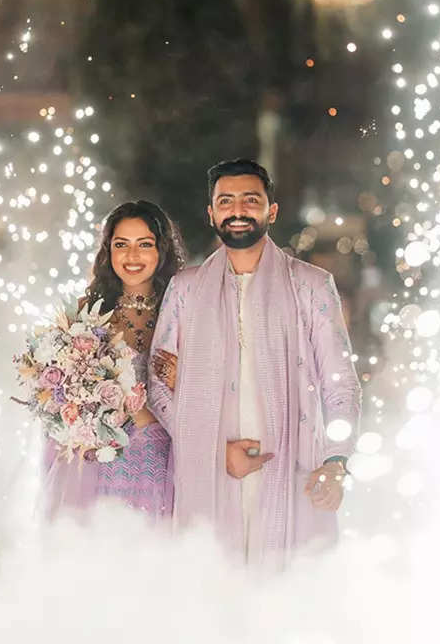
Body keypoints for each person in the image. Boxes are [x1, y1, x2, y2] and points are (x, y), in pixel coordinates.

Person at [148, 159, 361, 568]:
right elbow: (158, 386)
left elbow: (341, 382)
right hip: (209, 477)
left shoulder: (311, 286)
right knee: (216, 606)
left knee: (285, 608)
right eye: (226, 201)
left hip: (293, 470)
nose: (238, 210)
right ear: (211, 213)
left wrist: (336, 462)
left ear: (271, 211)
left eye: (251, 200)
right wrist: (211, 449)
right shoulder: (186, 290)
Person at [43, 200, 184, 521]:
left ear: (161, 250)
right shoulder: (87, 313)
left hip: (162, 460)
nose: (132, 256)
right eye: (121, 245)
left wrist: (183, 380)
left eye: (144, 245)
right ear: (108, 251)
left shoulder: (180, 310)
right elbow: (60, 394)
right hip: (100, 464)